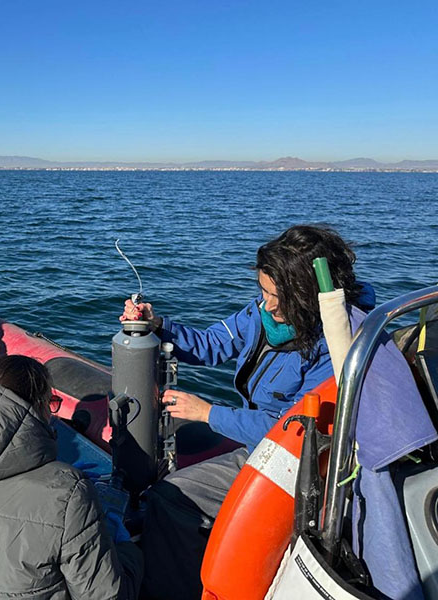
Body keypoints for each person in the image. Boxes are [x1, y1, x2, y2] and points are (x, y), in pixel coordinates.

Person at [122, 225, 375, 600]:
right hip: (264, 440)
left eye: (279, 297)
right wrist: (159, 325)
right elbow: (211, 344)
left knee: (170, 497)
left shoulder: (335, 343)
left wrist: (208, 413)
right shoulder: (263, 315)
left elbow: (292, 432)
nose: (268, 306)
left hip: (295, 461)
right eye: (264, 292)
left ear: (308, 297)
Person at [0, 355, 144, 599]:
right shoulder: (69, 492)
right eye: (50, 403)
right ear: (37, 407)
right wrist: (128, 549)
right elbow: (106, 596)